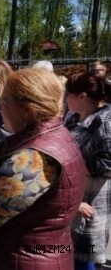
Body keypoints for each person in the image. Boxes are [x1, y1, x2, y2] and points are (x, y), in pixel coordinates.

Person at [0, 68, 86, 269]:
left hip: (23, 259)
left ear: (27, 110)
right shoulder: (57, 134)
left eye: (4, 103)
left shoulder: (35, 157)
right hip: (44, 253)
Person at [64, 70, 111, 269]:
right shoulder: (74, 117)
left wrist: (72, 165)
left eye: (68, 95)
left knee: (84, 255)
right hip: (72, 197)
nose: (65, 99)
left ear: (82, 97)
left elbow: (108, 165)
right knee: (66, 252)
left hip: (91, 201)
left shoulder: (106, 122)